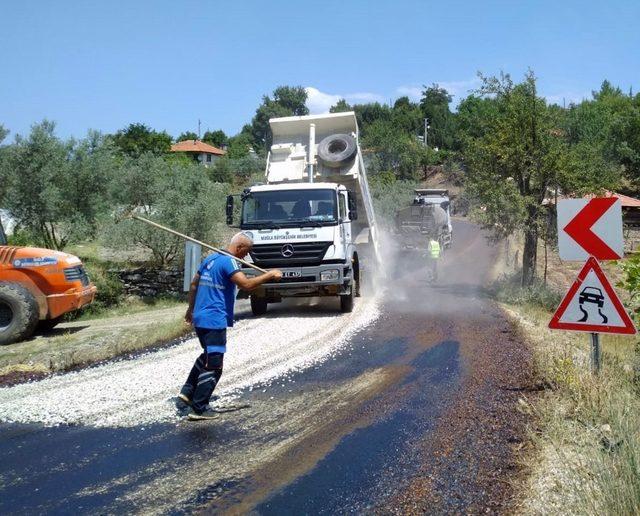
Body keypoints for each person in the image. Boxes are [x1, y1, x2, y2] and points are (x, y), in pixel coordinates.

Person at [177, 232, 282, 420]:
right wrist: (269, 275)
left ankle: (186, 394)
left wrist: (191, 310)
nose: (246, 257)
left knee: (207, 355)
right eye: (246, 252)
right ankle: (199, 408)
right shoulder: (229, 261)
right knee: (215, 363)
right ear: (240, 247)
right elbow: (246, 285)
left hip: (201, 318)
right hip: (214, 319)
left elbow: (194, 284)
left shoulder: (211, 259)